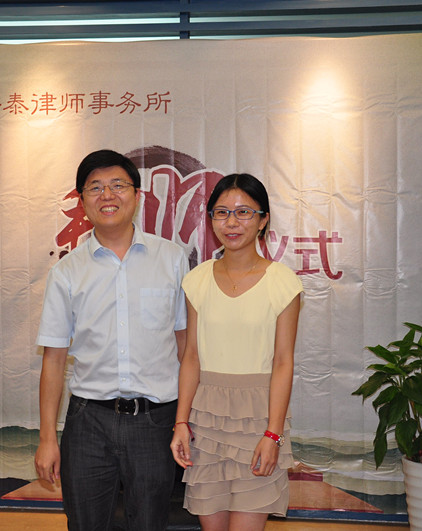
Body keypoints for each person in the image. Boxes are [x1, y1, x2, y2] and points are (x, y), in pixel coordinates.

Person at [34, 149, 189, 531]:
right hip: (88, 422)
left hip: (155, 420)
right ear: (82, 200)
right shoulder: (66, 272)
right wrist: (47, 438)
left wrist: (186, 418)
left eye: (118, 185)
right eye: (95, 187)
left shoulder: (172, 259)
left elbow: (186, 346)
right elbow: (53, 359)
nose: (107, 195)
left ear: (137, 194)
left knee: (150, 523)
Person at [170, 173, 302, 531]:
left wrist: (273, 434)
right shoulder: (196, 280)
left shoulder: (283, 282)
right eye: (221, 212)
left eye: (244, 212)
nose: (231, 222)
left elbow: (283, 362)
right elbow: (191, 357)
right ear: (211, 219)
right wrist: (181, 422)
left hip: (258, 420)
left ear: (263, 220)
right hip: (206, 422)